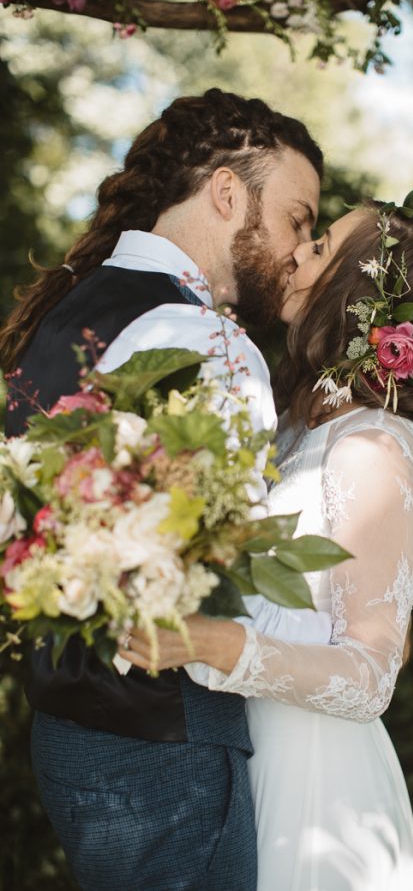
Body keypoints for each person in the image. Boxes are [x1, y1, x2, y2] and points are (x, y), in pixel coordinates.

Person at [0, 89, 336, 891]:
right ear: (228, 193)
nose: (299, 249)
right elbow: (234, 569)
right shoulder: (209, 339)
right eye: (296, 218)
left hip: (70, 729)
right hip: (165, 740)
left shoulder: (71, 314)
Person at [120, 201, 413, 890]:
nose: (298, 251)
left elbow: (372, 674)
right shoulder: (291, 426)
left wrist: (206, 643)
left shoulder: (374, 444)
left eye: (322, 245)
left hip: (319, 791)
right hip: (237, 757)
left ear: (359, 294)